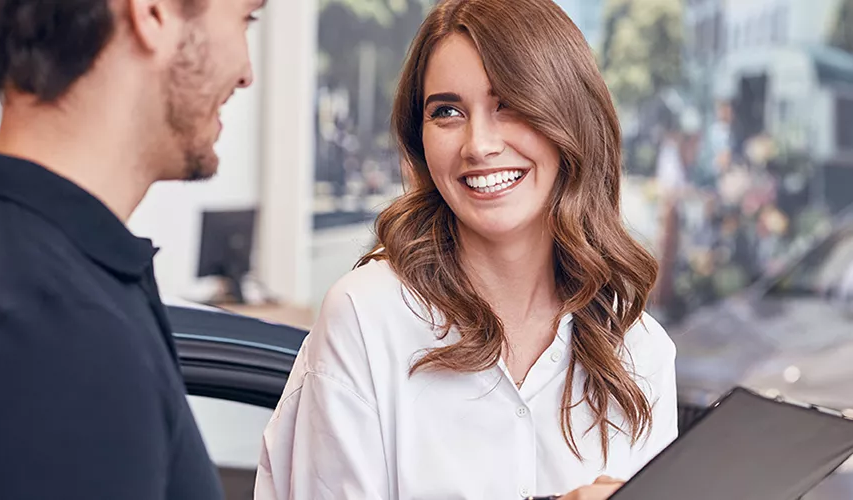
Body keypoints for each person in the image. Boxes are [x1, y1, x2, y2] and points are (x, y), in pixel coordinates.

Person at [255, 1, 677, 499]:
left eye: (510, 104)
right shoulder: (366, 318)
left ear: (571, 119)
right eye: (447, 112)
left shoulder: (638, 350)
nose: (478, 145)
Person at [0, 0, 261, 498]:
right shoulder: (43, 324)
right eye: (246, 18)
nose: (246, 73)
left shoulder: (7, 258)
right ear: (152, 13)